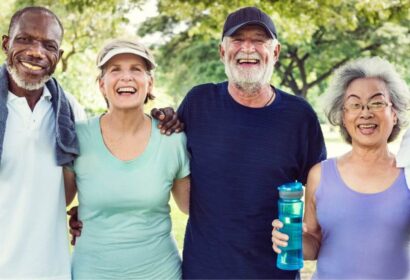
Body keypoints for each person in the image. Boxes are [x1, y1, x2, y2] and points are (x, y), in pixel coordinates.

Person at [69, 6, 326, 279]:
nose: (247, 48)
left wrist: (310, 237)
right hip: (203, 271)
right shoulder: (199, 103)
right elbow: (154, 152)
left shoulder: (300, 117)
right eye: (237, 40)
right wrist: (93, 210)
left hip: (273, 273)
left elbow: (323, 196)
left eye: (259, 40)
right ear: (222, 52)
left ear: (275, 52)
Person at [272, 57, 410, 279]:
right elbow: (313, 242)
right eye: (355, 104)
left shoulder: (408, 176)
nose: (365, 113)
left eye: (377, 103)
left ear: (394, 114)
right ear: (343, 116)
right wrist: (291, 240)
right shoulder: (320, 175)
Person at [64, 38, 190, 279]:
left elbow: (193, 207)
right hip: (91, 272)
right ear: (102, 84)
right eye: (115, 70)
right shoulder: (77, 137)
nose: (126, 77)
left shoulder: (172, 139)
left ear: (149, 83)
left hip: (161, 273)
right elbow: (56, 201)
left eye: (136, 69)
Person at [0, 6, 85, 280]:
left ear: (58, 57)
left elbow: (93, 177)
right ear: (5, 44)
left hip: (53, 271)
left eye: (48, 45)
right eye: (25, 39)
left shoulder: (71, 111)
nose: (36, 52)